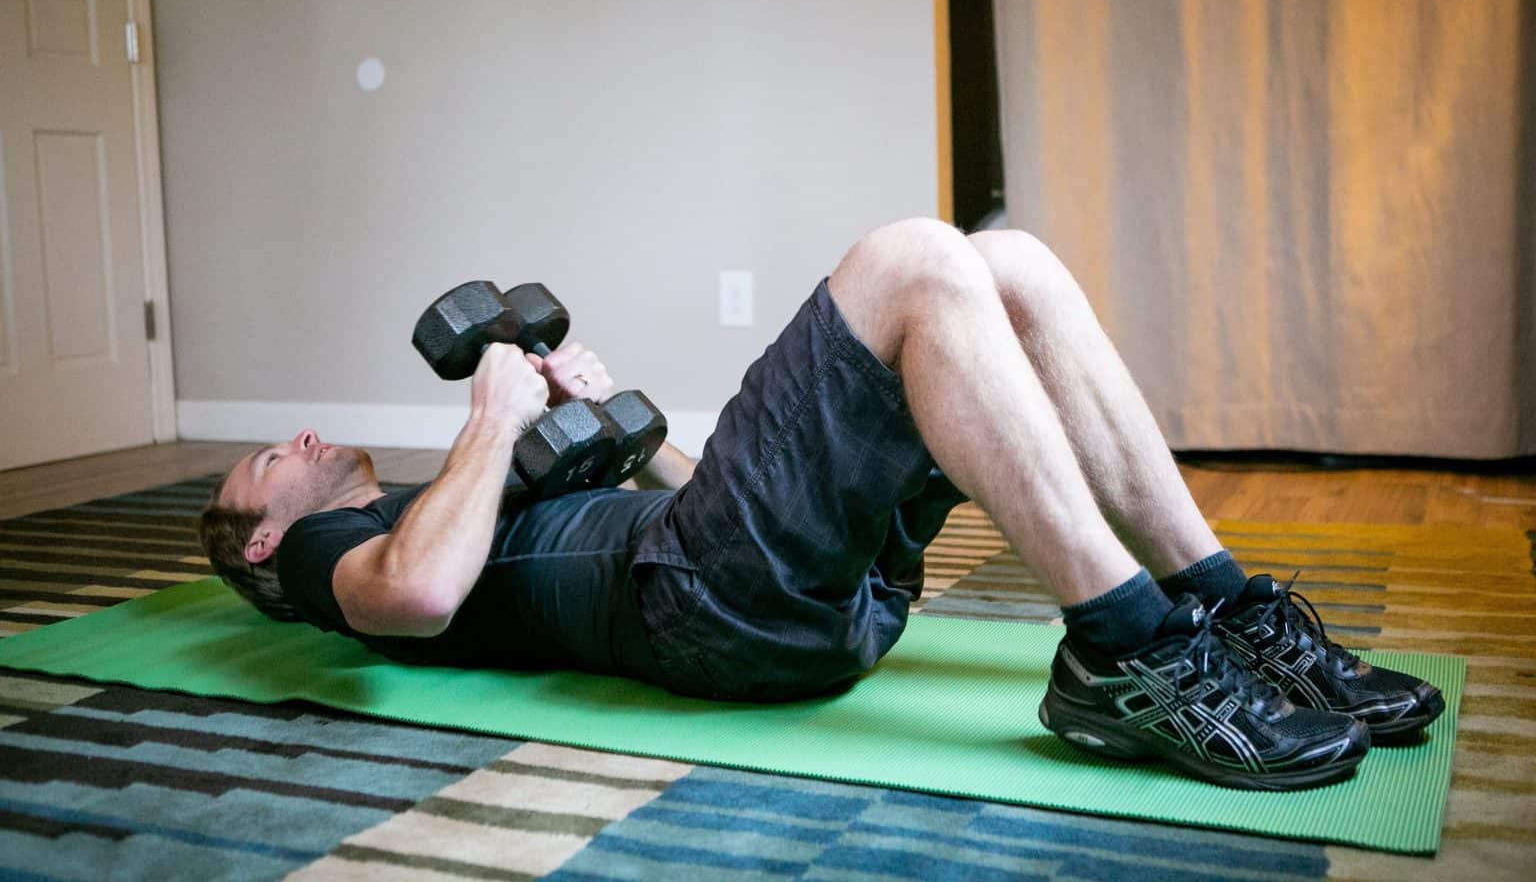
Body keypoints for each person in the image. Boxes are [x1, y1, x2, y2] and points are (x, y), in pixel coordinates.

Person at [199, 218, 1442, 791]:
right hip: (703, 612)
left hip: (774, 596)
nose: (293, 440)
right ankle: (1130, 652)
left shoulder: (447, 505)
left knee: (1006, 266)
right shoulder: (334, 557)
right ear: (264, 537)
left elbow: (679, 505)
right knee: (908, 260)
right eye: (265, 459)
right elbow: (414, 600)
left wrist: (622, 434)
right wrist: (494, 417)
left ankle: (1221, 609)